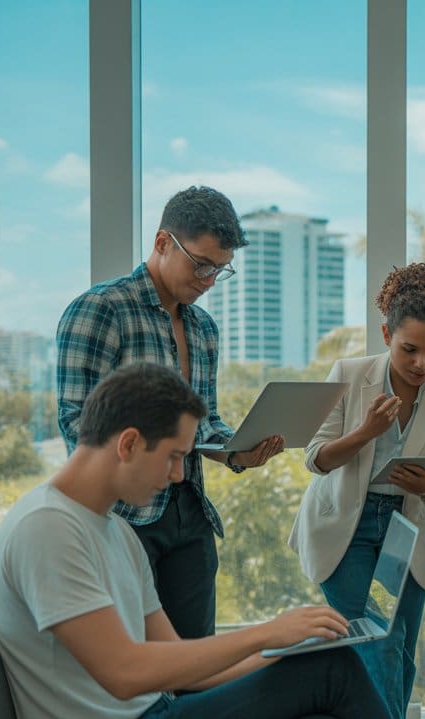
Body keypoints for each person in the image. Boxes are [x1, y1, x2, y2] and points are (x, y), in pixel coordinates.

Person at [0, 363, 425, 719]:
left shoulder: (113, 531)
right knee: (333, 671)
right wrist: (266, 634)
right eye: (174, 456)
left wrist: (285, 648)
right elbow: (125, 673)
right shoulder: (48, 527)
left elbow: (178, 660)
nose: (178, 476)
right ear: (129, 443)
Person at [56, 185, 283, 640]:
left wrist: (236, 451)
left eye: (221, 270)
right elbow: (77, 423)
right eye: (201, 265)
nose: (209, 281)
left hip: (189, 509)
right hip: (125, 516)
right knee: (139, 656)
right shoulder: (100, 310)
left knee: (195, 656)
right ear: (163, 243)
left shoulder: (204, 328)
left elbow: (204, 422)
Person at [289, 262, 425, 719]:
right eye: (410, 349)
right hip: (345, 528)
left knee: (402, 653)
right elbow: (315, 458)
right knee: (376, 647)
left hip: (404, 531)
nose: (421, 364)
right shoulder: (348, 373)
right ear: (387, 335)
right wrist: (365, 431)